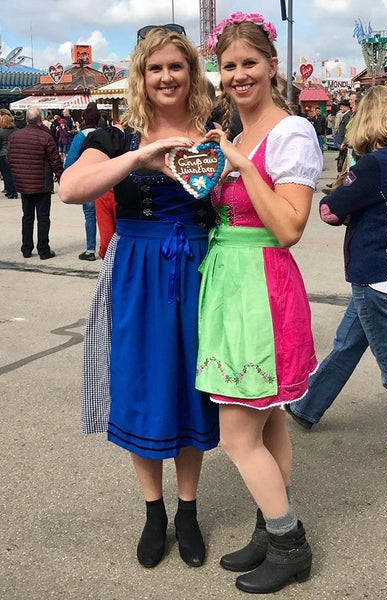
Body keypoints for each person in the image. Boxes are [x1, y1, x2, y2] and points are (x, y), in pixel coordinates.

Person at [59, 25, 219, 568]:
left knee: (194, 390)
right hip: (136, 272)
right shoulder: (113, 136)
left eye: (176, 66)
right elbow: (71, 189)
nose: (167, 77)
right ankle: (154, 512)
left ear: (191, 73)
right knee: (144, 388)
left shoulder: (216, 130)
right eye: (156, 68)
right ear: (141, 76)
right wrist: (144, 156)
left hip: (201, 269)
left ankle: (188, 510)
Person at [195, 13, 322, 594]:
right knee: (269, 424)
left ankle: (291, 544)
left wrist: (244, 168)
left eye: (250, 63)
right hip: (230, 282)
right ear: (219, 74)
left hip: (262, 287)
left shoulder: (290, 132)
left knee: (237, 436)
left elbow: (290, 227)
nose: (240, 75)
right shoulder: (235, 134)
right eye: (230, 66)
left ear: (272, 66)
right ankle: (270, 531)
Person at [286, 86, 387, 459]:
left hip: (375, 273)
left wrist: (338, 197)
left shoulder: (372, 165)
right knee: (347, 342)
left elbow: (328, 211)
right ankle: (306, 406)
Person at [7, 106, 63, 259]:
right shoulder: (46, 137)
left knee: (27, 216)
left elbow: (9, 159)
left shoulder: (15, 136)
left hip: (24, 183)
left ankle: (26, 248)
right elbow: (55, 161)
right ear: (40, 120)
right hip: (42, 183)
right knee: (43, 217)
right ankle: (43, 249)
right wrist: (61, 177)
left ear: (26, 120)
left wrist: (18, 174)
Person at [64, 102, 101, 261]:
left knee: (90, 215)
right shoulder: (104, 134)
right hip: (106, 178)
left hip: (88, 181)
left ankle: (90, 249)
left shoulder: (80, 137)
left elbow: (70, 161)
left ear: (84, 120)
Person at [0, 112, 18, 199]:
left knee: (6, 174)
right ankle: (14, 191)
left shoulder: (1, 132)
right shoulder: (16, 130)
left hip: (3, 154)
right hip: (15, 154)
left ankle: (11, 192)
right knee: (14, 174)